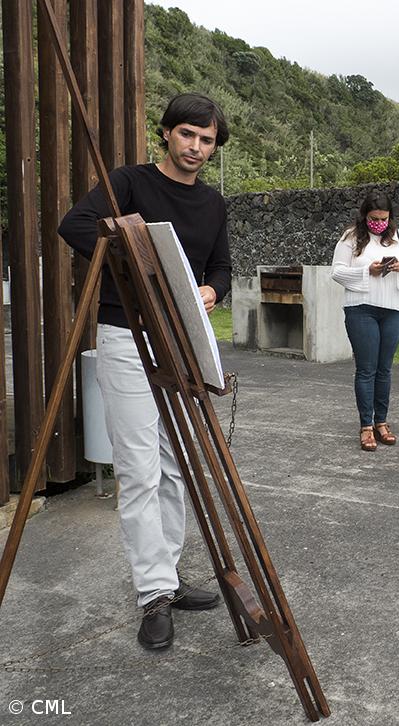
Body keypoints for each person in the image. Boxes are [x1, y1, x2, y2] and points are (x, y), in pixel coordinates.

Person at [58, 93, 230, 650]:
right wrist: (127, 257)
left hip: (179, 340)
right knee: (138, 468)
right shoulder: (127, 183)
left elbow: (221, 267)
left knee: (176, 465)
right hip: (126, 336)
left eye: (206, 140)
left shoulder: (214, 203)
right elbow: (75, 225)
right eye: (187, 135)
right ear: (166, 133)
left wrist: (211, 290)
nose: (196, 148)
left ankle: (171, 576)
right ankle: (152, 593)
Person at [331, 190, 399, 451]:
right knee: (366, 369)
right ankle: (366, 426)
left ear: (390, 216)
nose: (378, 223)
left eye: (383, 218)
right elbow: (336, 272)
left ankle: (382, 422)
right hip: (361, 309)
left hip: (393, 308)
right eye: (373, 218)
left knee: (385, 369)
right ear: (364, 215)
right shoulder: (351, 237)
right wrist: (366, 271)